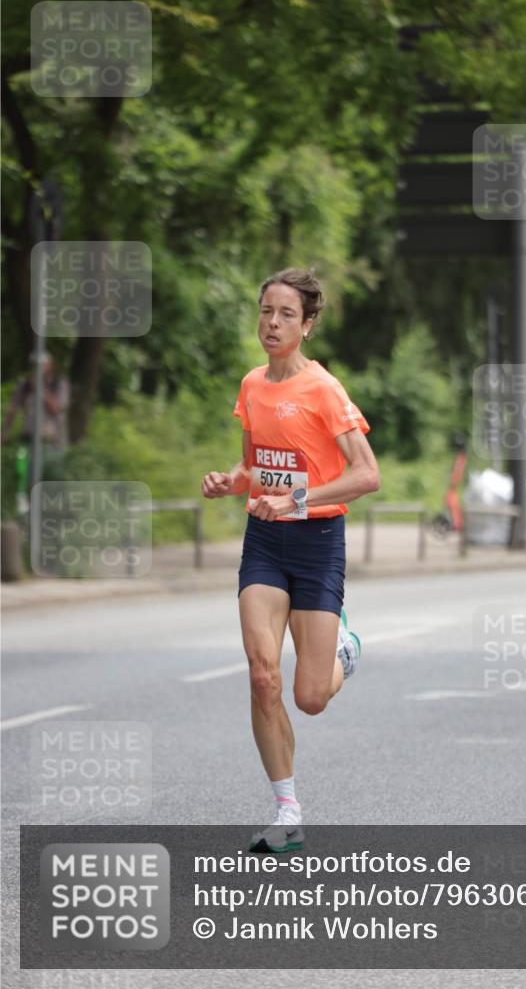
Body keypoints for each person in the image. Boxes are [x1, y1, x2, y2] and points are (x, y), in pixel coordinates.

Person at [201, 268, 380, 852]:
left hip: (317, 544)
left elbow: (366, 475)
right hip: (264, 543)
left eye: (284, 315)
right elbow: (254, 468)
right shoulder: (253, 385)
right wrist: (230, 481)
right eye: (264, 312)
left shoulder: (324, 390)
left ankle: (344, 651)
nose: (271, 324)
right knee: (261, 673)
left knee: (309, 697)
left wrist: (297, 499)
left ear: (307, 325)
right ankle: (287, 811)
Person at [1, 351, 70, 482]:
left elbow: (56, 408)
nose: (37, 368)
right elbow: (12, 409)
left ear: (50, 365)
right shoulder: (25, 385)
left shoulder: (60, 384)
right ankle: (23, 500)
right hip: (28, 439)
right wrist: (5, 431)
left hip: (51, 442)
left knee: (50, 481)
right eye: (35, 365)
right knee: (22, 474)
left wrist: (41, 389)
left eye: (41, 365)